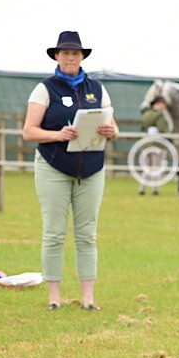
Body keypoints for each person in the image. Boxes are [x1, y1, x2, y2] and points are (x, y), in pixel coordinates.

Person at [20, 31, 119, 311]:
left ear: (82, 57)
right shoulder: (44, 89)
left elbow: (114, 125)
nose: (70, 58)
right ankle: (54, 297)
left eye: (75, 53)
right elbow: (29, 131)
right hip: (54, 167)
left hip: (91, 168)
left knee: (87, 233)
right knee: (54, 232)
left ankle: (88, 298)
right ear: (56, 56)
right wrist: (57, 135)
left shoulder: (97, 89)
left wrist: (111, 131)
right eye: (65, 53)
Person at [138, 95, 172, 195]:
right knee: (156, 167)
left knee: (147, 168)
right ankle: (155, 189)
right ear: (158, 104)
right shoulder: (159, 115)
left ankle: (142, 189)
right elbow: (162, 129)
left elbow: (143, 127)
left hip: (146, 144)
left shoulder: (147, 114)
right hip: (157, 144)